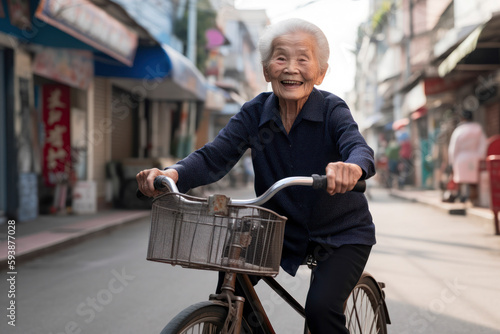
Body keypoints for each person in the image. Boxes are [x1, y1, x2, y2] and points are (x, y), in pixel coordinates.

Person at [137, 18, 376, 334]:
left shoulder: (332, 109)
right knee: (232, 290)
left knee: (321, 311)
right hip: (278, 230)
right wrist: (172, 174)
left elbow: (357, 147)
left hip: (341, 234)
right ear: (266, 70)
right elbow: (214, 156)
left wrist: (352, 167)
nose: (291, 68)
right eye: (281, 58)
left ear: (320, 72)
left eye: (303, 59)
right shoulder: (254, 112)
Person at [447, 109, 487, 203]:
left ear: (462, 118)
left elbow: (453, 148)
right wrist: (481, 157)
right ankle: (473, 199)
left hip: (461, 159)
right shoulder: (478, 128)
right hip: (475, 157)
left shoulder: (459, 130)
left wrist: (452, 162)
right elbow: (483, 144)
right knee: (473, 181)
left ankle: (462, 197)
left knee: (461, 180)